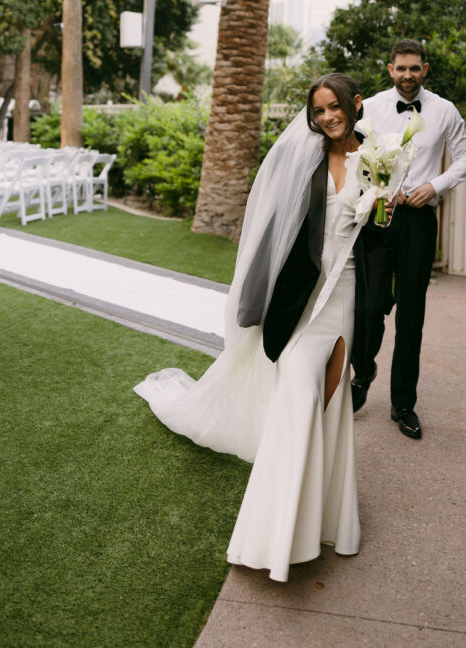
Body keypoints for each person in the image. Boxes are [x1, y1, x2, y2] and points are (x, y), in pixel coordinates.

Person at [134, 74, 369, 583]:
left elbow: (379, 235)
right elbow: (272, 230)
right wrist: (255, 300)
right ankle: (269, 538)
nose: (328, 117)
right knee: (296, 397)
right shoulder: (305, 159)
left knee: (332, 403)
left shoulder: (379, 156)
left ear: (355, 105)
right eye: (319, 110)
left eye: (335, 107)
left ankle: (325, 523)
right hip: (302, 301)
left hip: (348, 296)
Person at [351, 39, 466, 439]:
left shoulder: (444, 110)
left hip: (419, 222)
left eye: (414, 68)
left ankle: (403, 403)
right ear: (390, 69)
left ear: (426, 69)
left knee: (411, 315)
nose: (408, 75)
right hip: (376, 218)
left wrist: (434, 186)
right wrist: (375, 191)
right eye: (401, 68)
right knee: (368, 308)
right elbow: (352, 158)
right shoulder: (368, 107)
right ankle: (362, 370)